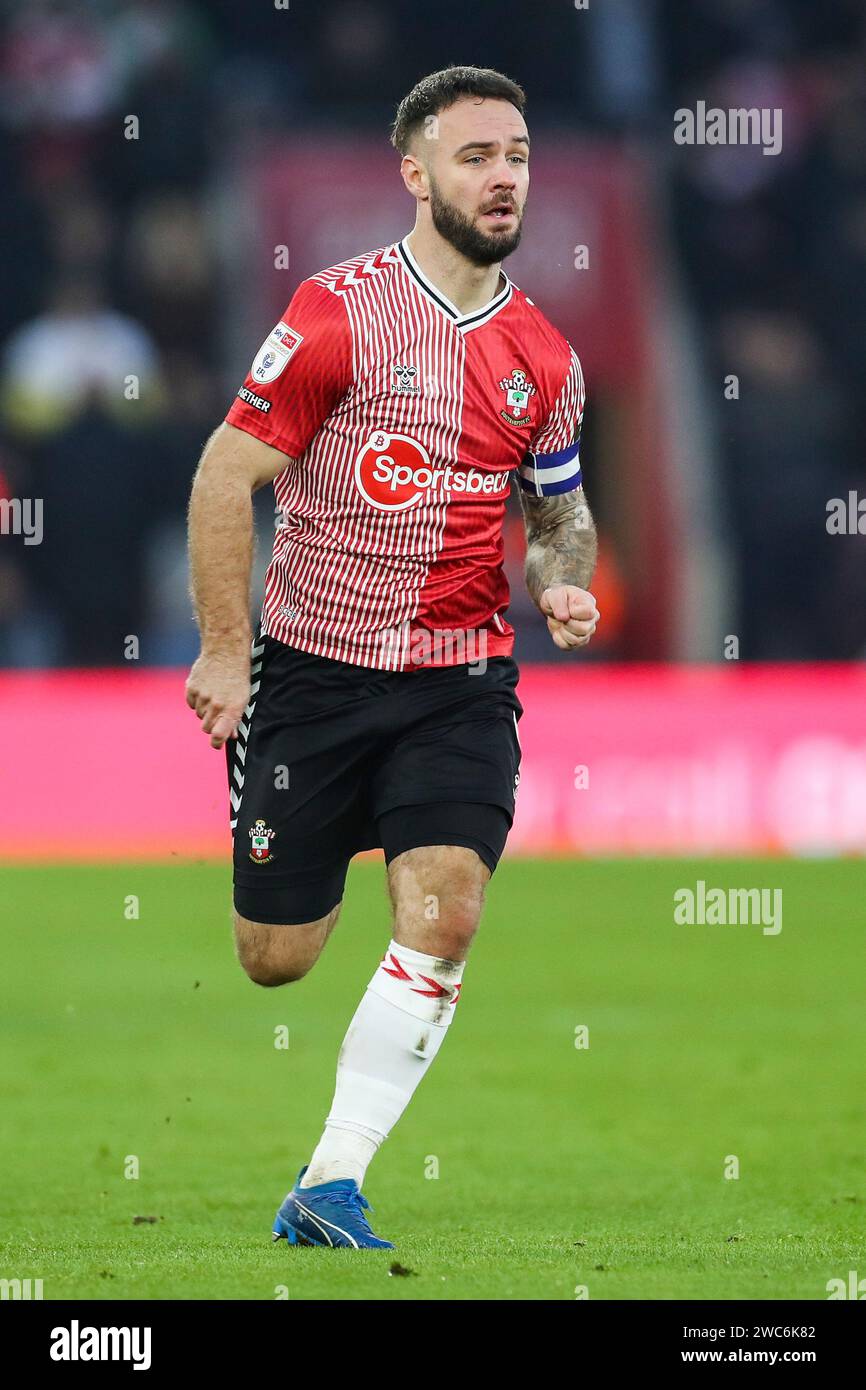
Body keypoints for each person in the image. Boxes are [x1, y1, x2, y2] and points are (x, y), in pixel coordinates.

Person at [185, 65, 599, 1249]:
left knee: (447, 909)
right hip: (311, 675)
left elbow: (560, 509)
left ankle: (328, 1183)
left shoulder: (546, 361)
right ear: (414, 175)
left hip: (459, 680)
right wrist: (227, 654)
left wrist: (560, 577)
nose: (503, 175)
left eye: (516, 153)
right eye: (474, 156)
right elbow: (227, 472)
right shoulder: (334, 311)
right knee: (276, 959)